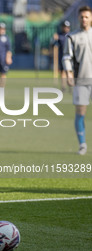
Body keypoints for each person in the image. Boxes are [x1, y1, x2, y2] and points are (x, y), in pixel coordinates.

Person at [63, 6, 92, 155]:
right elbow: (67, 57)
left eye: (87, 17)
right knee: (80, 113)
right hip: (81, 80)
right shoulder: (72, 37)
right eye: (82, 17)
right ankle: (82, 145)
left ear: (91, 18)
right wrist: (68, 73)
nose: (84, 19)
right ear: (78, 18)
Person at [52, 20, 71, 92]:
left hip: (69, 56)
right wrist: (54, 39)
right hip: (61, 56)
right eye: (64, 27)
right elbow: (54, 44)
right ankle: (63, 86)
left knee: (70, 71)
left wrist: (58, 38)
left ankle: (70, 85)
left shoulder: (70, 35)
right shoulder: (59, 34)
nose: (66, 28)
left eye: (67, 27)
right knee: (62, 72)